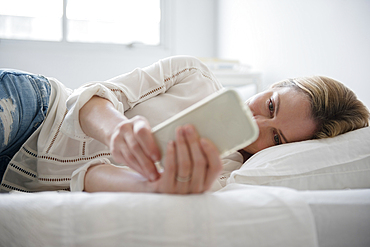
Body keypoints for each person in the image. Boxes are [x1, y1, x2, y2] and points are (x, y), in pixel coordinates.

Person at [0, 56, 369, 194]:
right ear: (273, 87)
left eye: (276, 137)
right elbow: (91, 99)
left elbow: (86, 177)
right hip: (35, 109)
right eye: (270, 105)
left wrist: (153, 186)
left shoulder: (222, 177)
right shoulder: (193, 74)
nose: (257, 123)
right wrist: (116, 131)